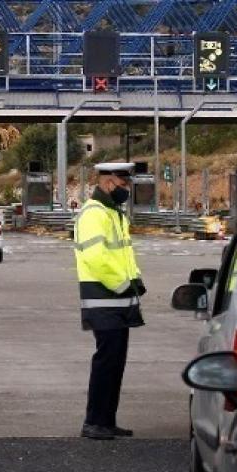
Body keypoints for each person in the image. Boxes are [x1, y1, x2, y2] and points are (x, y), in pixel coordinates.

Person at [74, 162, 146, 440]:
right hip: (104, 299)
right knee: (106, 362)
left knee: (115, 362)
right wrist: (123, 284)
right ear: (108, 182)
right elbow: (96, 258)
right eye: (123, 184)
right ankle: (94, 422)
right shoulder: (94, 214)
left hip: (118, 300)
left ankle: (106, 420)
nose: (126, 190)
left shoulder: (113, 213)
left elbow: (123, 254)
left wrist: (135, 280)